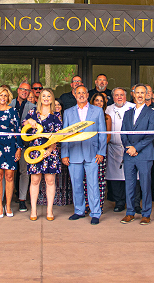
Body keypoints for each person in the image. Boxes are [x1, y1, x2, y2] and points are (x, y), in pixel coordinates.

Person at [62, 85, 107, 225]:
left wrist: (101, 152)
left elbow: (102, 133)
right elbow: (64, 135)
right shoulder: (68, 112)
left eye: (83, 93)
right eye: (78, 93)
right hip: (74, 153)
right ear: (74, 95)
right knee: (76, 184)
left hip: (92, 153)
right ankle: (79, 210)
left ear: (88, 95)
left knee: (93, 184)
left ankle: (95, 213)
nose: (81, 95)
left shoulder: (98, 111)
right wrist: (64, 154)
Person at [119, 84, 154, 225]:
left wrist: (136, 148)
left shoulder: (152, 113)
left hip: (144, 154)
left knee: (145, 185)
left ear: (147, 95)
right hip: (129, 154)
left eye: (143, 93)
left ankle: (146, 214)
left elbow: (150, 136)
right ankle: (129, 213)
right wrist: (128, 147)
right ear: (133, 95)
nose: (140, 95)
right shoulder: (127, 113)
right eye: (138, 93)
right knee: (129, 184)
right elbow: (123, 133)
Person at [23, 89, 63, 221]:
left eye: (49, 96)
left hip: (50, 152)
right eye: (43, 96)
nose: (46, 98)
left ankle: (49, 210)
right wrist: (29, 122)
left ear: (52, 99)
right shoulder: (32, 113)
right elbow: (22, 128)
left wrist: (51, 149)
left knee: (50, 181)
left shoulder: (56, 115)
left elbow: (58, 135)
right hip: (35, 151)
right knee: (34, 180)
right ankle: (34, 210)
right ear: (39, 98)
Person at [0, 87, 23, 218]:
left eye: (5, 95)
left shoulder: (13, 111)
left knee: (9, 176)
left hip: (11, 146)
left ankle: (8, 205)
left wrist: (19, 148)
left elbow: (18, 129)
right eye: (0, 95)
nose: (3, 98)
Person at [105, 87, 135, 212]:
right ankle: (119, 202)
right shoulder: (108, 109)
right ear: (113, 97)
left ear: (125, 96)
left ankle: (132, 203)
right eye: (116, 95)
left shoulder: (133, 107)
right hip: (114, 147)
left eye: (121, 95)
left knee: (131, 177)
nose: (119, 97)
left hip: (130, 147)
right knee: (116, 177)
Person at [10, 82, 36, 212]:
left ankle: (22, 200)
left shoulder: (33, 107)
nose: (24, 92)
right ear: (18, 90)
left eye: (27, 90)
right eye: (22, 89)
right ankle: (5, 200)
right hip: (9, 145)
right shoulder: (9, 104)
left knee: (24, 172)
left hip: (25, 144)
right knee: (8, 173)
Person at [83, 92, 111, 212]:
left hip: (100, 152)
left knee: (99, 179)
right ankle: (87, 204)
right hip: (86, 150)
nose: (99, 103)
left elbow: (108, 136)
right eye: (97, 100)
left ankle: (99, 205)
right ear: (92, 102)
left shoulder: (107, 117)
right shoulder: (87, 116)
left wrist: (100, 150)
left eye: (101, 101)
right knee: (86, 179)